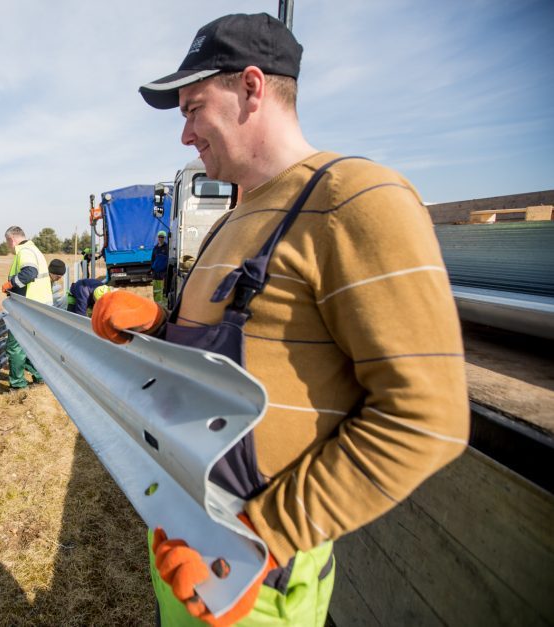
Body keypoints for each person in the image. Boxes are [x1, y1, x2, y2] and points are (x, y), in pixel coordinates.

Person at [92, 13, 469, 626]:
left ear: (251, 87)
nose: (185, 134)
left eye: (192, 108)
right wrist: (158, 325)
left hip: (256, 580)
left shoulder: (355, 199)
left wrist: (255, 543)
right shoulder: (235, 218)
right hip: (189, 544)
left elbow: (429, 417)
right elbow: (243, 357)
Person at [1, 226, 51, 389]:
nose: (9, 246)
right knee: (30, 344)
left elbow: (29, 273)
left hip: (27, 307)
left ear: (12, 239)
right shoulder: (34, 249)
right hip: (39, 306)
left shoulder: (24, 251)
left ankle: (17, 385)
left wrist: (11, 284)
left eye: (8, 242)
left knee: (15, 346)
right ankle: (39, 376)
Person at [151, 230, 169, 304]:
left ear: (164, 238)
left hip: (163, 272)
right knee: (156, 288)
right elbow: (153, 259)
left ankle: (163, 304)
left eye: (162, 237)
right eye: (159, 237)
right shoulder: (155, 248)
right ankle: (156, 303)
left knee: (163, 289)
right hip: (155, 272)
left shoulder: (167, 247)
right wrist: (151, 268)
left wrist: (166, 270)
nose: (160, 238)